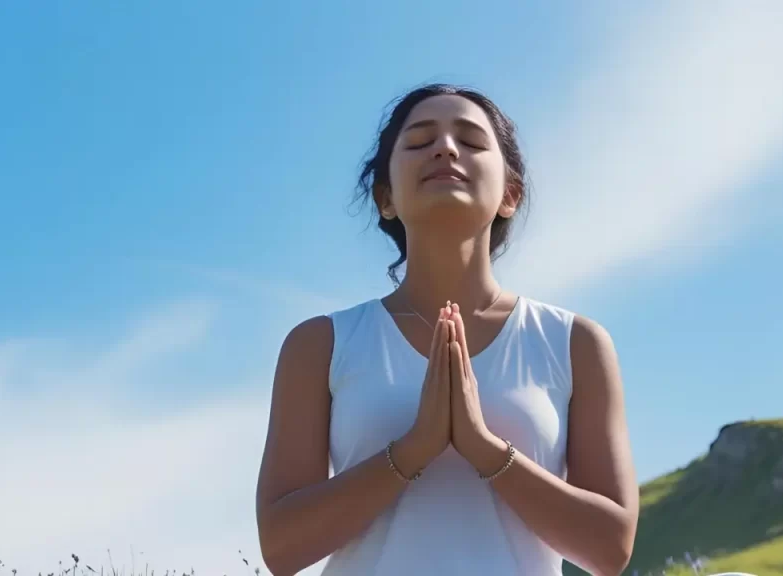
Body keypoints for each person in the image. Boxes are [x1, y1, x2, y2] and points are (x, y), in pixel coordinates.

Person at [255, 83, 639, 576]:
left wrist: (485, 449)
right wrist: (414, 449)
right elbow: (281, 548)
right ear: (386, 198)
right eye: (419, 141)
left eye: (471, 141)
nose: (445, 148)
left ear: (510, 194)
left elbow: (610, 548)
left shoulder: (573, 343)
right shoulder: (320, 345)